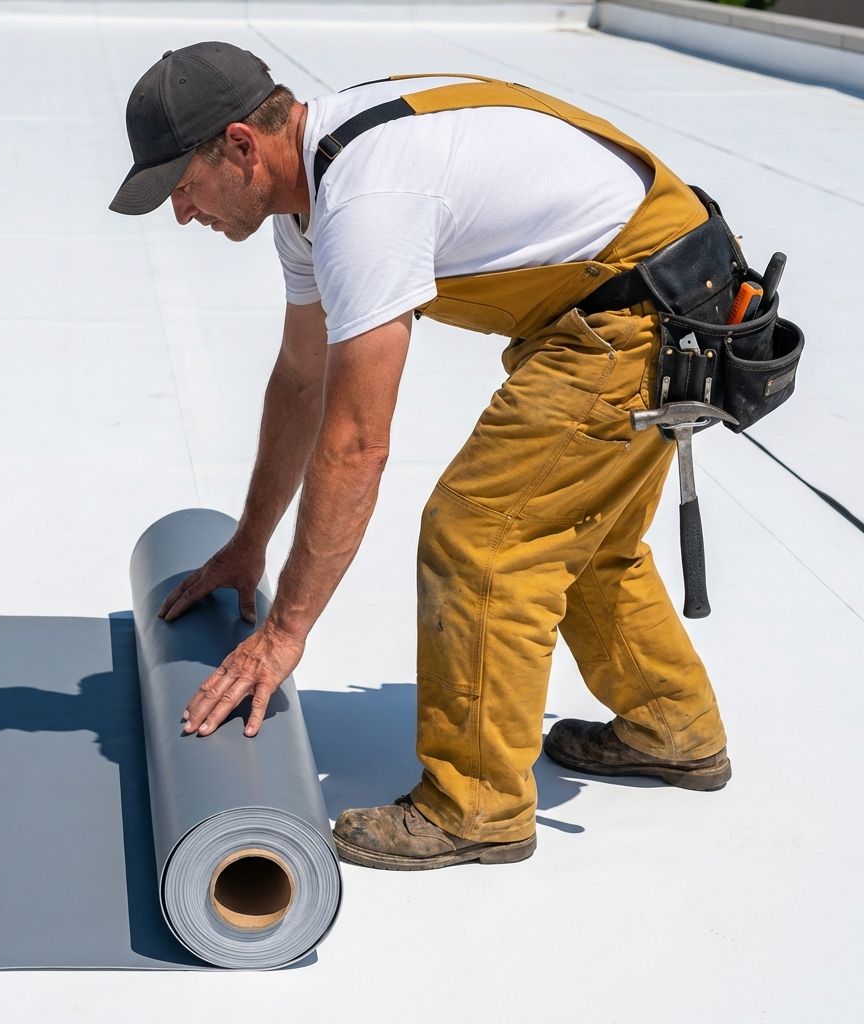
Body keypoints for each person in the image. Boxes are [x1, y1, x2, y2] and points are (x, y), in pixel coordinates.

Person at [109, 41, 731, 871]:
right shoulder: (312, 190)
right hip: (642, 299)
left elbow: (358, 443)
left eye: (181, 188)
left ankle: (475, 806)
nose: (182, 213)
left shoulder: (365, 198)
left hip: (646, 313)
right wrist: (250, 542)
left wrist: (284, 634)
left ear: (240, 146)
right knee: (581, 536)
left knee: (481, 537)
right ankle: (672, 726)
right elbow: (301, 383)